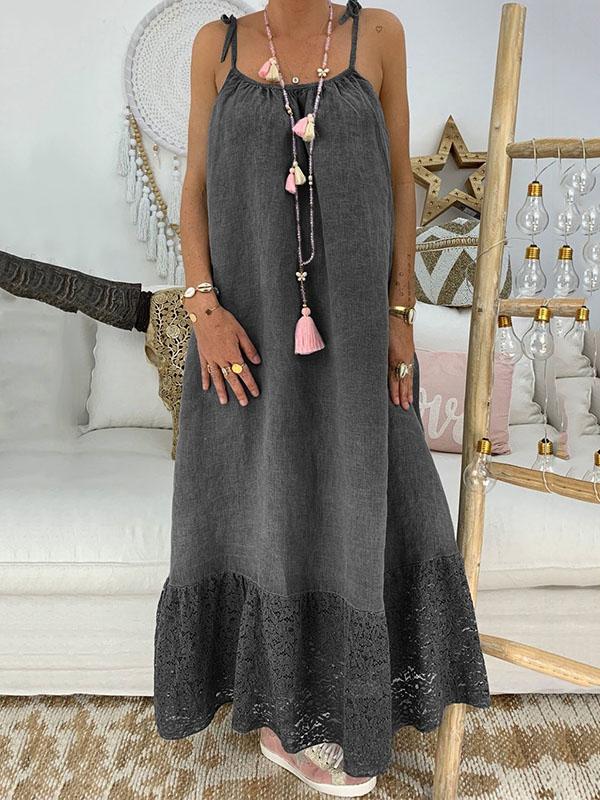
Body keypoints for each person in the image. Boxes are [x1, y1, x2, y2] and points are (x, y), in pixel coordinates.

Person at [153, 1, 490, 795]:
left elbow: (402, 184)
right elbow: (194, 187)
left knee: (365, 500)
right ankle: (278, 720)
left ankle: (349, 704)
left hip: (356, 330)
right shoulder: (217, 45)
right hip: (245, 335)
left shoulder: (379, 34)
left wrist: (401, 311)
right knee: (260, 505)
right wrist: (203, 310)